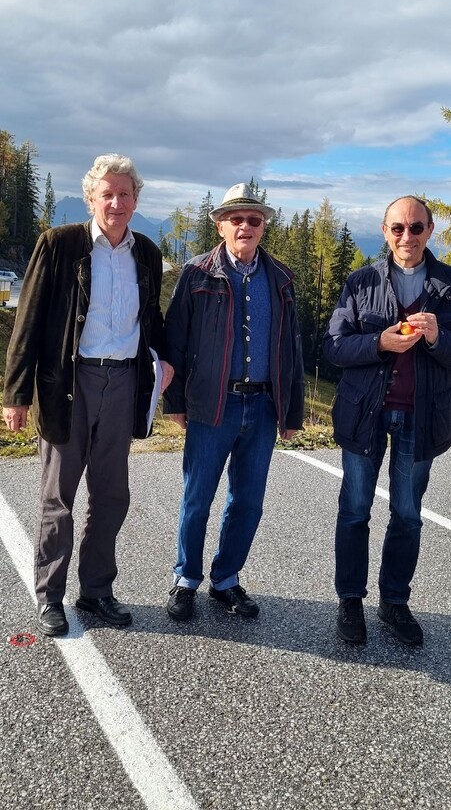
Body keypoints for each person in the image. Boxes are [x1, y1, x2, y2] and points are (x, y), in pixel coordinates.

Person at [2, 154, 173, 637]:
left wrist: (164, 359)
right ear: (91, 199)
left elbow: (151, 319)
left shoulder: (147, 253)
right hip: (67, 385)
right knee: (59, 497)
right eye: (107, 194)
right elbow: (28, 320)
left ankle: (96, 591)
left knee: (112, 495)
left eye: (125, 194)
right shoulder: (59, 244)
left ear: (136, 200)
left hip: (123, 384)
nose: (116, 203)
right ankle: (49, 596)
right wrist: (16, 393)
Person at [163, 183, 304, 621]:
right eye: (236, 219)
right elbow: (174, 341)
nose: (245, 225)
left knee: (248, 502)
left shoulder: (281, 278)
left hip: (262, 407)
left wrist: (291, 411)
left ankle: (225, 580)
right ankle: (186, 579)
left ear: (263, 227)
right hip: (212, 404)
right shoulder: (196, 273)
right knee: (197, 498)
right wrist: (175, 403)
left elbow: (291, 348)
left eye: (254, 219)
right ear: (220, 225)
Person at [323, 195, 451, 646]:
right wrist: (379, 343)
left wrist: (437, 339)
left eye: (416, 228)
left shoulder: (448, 285)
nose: (407, 237)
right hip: (365, 414)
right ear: (384, 232)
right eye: (398, 228)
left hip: (423, 415)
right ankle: (350, 600)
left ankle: (394, 602)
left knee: (408, 515)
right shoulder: (360, 282)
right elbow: (334, 347)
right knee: (355, 510)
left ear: (430, 231)